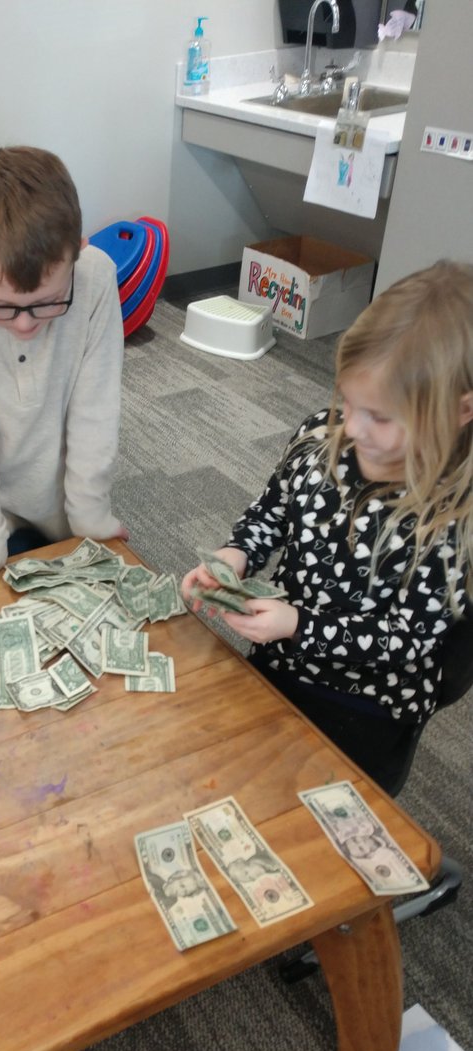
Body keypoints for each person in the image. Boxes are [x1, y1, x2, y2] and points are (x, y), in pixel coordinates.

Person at [183, 260, 473, 795]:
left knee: (334, 817)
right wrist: (237, 554)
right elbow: (271, 510)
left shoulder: (455, 523)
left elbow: (407, 643)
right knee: (251, 782)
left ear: (459, 412)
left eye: (380, 417)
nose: (353, 428)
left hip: (365, 708)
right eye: (348, 400)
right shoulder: (323, 434)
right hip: (276, 660)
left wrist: (301, 625)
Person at [0, 145, 127, 583]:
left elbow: (96, 408)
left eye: (49, 302)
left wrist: (89, 513)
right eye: (0, 306)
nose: (26, 324)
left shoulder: (97, 277)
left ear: (78, 251)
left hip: (67, 502)